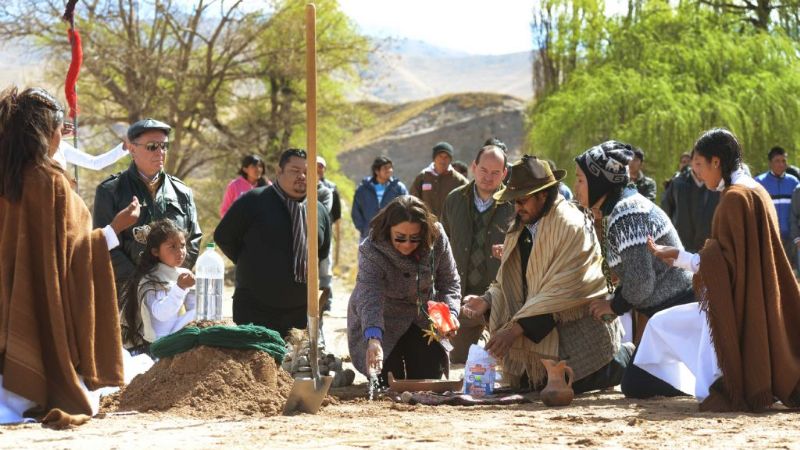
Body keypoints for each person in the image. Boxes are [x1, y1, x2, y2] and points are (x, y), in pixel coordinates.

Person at [0, 87, 139, 423]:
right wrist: (113, 230)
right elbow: (72, 257)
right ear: (47, 133)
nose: (61, 139)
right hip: (38, 349)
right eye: (59, 132)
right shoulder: (50, 183)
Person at [645, 128, 800, 412]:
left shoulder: (734, 198)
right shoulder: (757, 189)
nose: (700, 176)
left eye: (700, 166)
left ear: (716, 162)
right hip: (758, 297)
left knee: (665, 328)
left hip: (742, 304)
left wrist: (680, 257)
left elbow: (726, 263)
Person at [461, 156, 629, 393]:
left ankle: (624, 357)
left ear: (543, 194)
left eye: (522, 200)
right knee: (530, 384)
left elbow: (566, 289)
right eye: (514, 201)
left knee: (565, 382)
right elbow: (508, 278)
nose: (517, 207)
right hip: (536, 328)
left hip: (578, 327)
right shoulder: (520, 226)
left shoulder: (570, 225)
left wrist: (516, 329)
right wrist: (486, 300)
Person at [574, 141, 695, 398]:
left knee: (636, 384)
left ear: (600, 183)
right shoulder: (618, 209)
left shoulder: (627, 213)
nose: (577, 188)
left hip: (679, 312)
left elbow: (641, 284)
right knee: (636, 379)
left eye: (581, 180)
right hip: (665, 315)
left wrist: (613, 306)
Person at [214, 148, 331, 338]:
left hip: (300, 315)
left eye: (307, 172)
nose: (302, 176)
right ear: (279, 171)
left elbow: (322, 252)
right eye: (295, 170)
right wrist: (251, 261)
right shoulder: (253, 201)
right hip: (255, 310)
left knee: (296, 367)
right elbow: (223, 236)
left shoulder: (319, 211)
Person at [348, 196, 461, 385]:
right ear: (388, 231)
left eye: (414, 238)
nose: (407, 244)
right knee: (386, 380)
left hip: (422, 319)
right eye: (400, 238)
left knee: (428, 378)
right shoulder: (371, 249)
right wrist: (373, 338)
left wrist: (450, 314)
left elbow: (449, 281)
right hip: (382, 318)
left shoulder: (437, 237)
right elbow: (369, 296)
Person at [93, 118, 202, 302]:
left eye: (164, 146)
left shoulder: (182, 192)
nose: (160, 152)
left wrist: (171, 275)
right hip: (127, 295)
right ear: (132, 149)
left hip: (173, 292)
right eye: (152, 146)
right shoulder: (110, 191)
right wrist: (140, 282)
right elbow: (105, 245)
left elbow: (193, 239)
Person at [440, 144, 513, 363]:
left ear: (504, 173)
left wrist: (509, 251)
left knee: (509, 363)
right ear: (474, 167)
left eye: (495, 173)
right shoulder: (454, 200)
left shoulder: (515, 205)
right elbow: (441, 248)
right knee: (456, 358)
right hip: (462, 298)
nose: (488, 177)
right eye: (483, 170)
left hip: (502, 299)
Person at [119, 219, 197, 354]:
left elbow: (193, 306)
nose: (180, 252)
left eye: (182, 245)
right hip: (161, 343)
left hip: (178, 334)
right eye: (172, 247)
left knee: (204, 311)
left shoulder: (183, 274)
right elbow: (161, 313)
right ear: (155, 251)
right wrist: (179, 288)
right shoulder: (151, 279)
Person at [661, 151, 720, 252]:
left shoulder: (717, 185)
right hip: (681, 246)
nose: (701, 168)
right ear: (691, 163)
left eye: (704, 163)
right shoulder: (678, 183)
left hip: (708, 248)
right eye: (697, 163)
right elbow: (665, 212)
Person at [755, 146, 799, 266]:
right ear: (770, 163)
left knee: (792, 274)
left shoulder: (794, 182)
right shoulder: (759, 182)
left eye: (784, 161)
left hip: (790, 239)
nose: (781, 164)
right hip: (769, 238)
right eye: (777, 161)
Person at [352, 155, 408, 240]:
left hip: (392, 236)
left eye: (391, 168)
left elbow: (407, 208)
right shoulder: (363, 189)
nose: (389, 170)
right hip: (368, 235)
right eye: (386, 168)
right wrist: (363, 229)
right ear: (377, 171)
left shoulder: (398, 188)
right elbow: (356, 211)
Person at [410, 141, 469, 218]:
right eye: (440, 156)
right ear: (434, 158)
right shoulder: (423, 177)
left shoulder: (459, 180)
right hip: (427, 224)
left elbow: (468, 202)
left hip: (451, 226)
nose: (443, 160)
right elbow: (413, 200)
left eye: (446, 157)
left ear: (450, 159)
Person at [317, 156, 340, 310]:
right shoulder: (301, 185)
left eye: (321, 166)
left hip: (325, 233)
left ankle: (325, 302)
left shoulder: (330, 188)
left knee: (325, 269)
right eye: (315, 165)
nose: (318, 168)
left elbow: (336, 211)